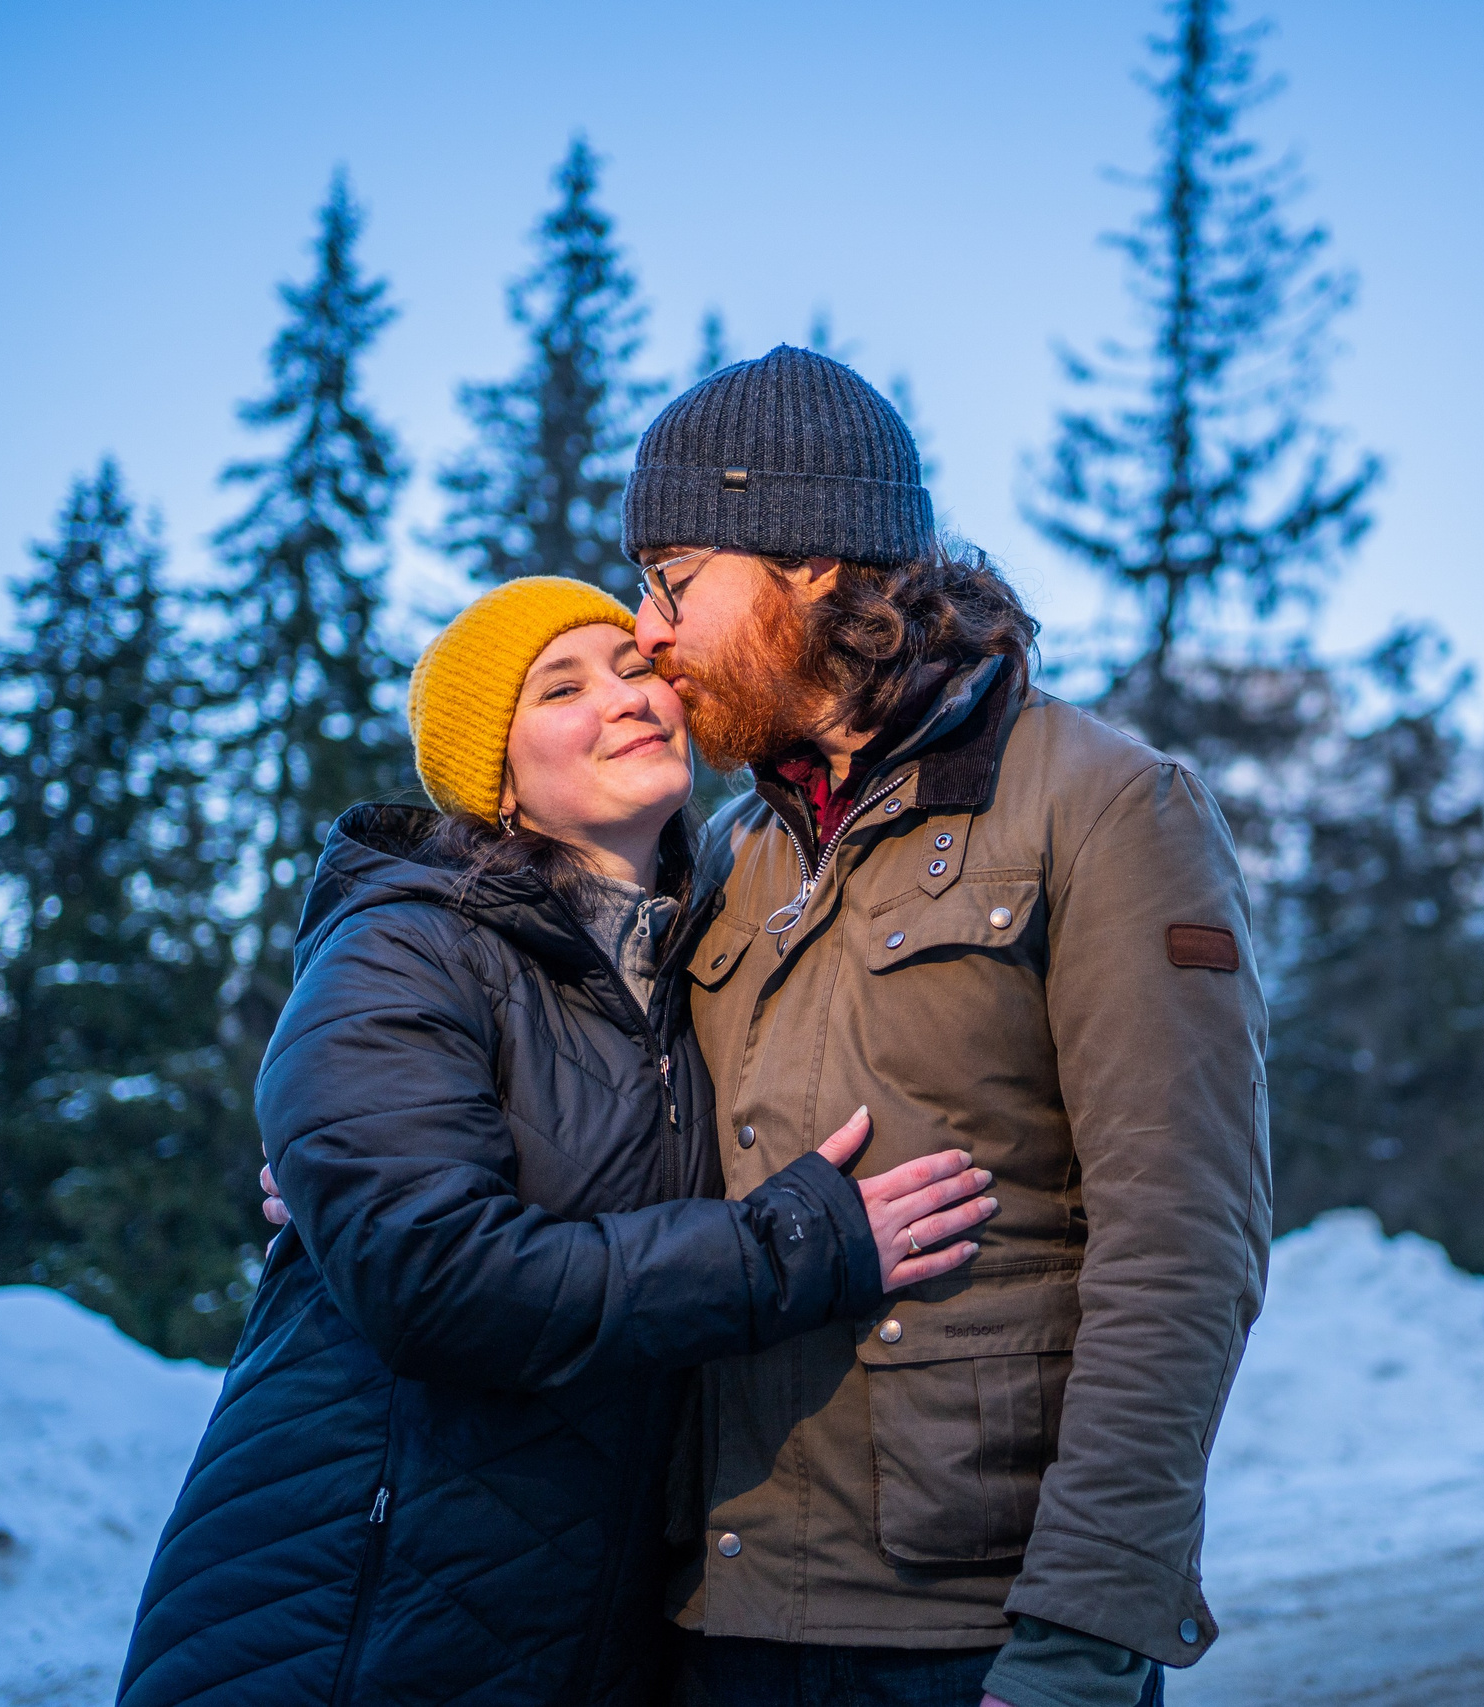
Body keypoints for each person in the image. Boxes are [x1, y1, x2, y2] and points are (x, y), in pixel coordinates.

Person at [117, 578, 999, 1707]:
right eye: (563, 688)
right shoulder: (404, 947)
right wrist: (797, 1247)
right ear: (498, 778)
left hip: (573, 1631)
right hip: (348, 1624)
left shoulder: (697, 975)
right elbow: (436, 1281)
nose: (628, 700)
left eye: (638, 671)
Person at [627, 346, 1272, 1707]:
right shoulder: (731, 857)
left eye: (674, 582)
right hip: (709, 1620)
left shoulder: (1101, 807)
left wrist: (1082, 1638)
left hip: (965, 1642)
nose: (646, 630)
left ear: (804, 559)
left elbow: (1181, 1245)